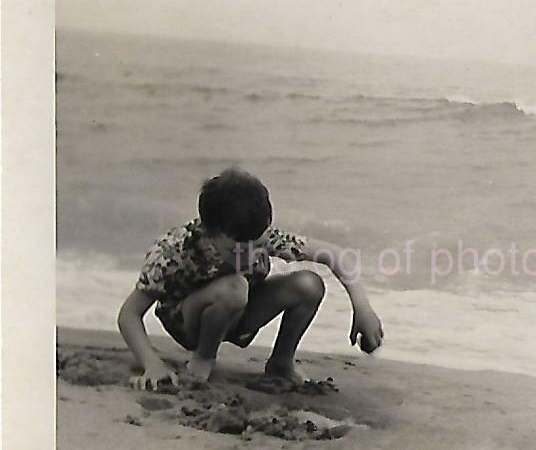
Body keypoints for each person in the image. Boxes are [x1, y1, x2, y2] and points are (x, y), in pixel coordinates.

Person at [117, 167, 383, 391]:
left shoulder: (258, 235)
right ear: (208, 232)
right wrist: (152, 363)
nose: (248, 257)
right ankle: (203, 359)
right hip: (190, 323)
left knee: (309, 284)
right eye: (236, 249)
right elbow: (129, 314)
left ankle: (281, 361)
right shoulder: (172, 250)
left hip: (240, 314)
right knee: (235, 285)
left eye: (256, 247)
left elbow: (336, 255)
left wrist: (363, 308)